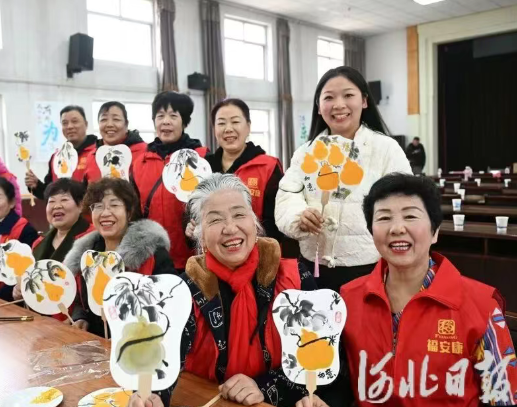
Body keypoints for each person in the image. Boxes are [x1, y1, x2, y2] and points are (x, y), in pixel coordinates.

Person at [133, 174, 350, 407]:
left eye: (239, 215)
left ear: (254, 223)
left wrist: (264, 387)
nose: (230, 228)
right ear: (200, 235)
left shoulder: (295, 278)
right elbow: (163, 358)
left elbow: (325, 364)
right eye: (215, 220)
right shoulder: (185, 290)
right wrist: (151, 395)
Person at [340, 173, 517, 406]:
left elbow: (503, 398)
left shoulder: (482, 306)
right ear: (371, 232)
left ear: (435, 232)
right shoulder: (347, 299)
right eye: (384, 218)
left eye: (410, 216)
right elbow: (339, 386)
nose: (397, 228)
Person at [275, 67, 412, 293]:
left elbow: (405, 201)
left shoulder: (386, 149)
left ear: (364, 101)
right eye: (329, 97)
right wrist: (299, 216)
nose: (339, 105)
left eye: (348, 95)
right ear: (318, 106)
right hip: (312, 266)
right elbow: (288, 194)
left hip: (368, 266)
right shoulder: (306, 152)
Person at [63, 177, 175, 337]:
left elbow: (170, 304)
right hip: (95, 342)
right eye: (98, 206)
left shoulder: (153, 254)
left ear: (129, 212)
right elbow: (80, 301)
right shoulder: (87, 254)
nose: (105, 213)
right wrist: (80, 316)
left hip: (138, 343)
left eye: (114, 205)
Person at [132, 91, 208, 271]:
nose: (166, 121)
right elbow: (134, 212)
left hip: (194, 259)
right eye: (160, 116)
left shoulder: (202, 158)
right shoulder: (139, 163)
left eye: (173, 116)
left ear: (184, 122)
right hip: (152, 259)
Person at [12, 178, 95, 322]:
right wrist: (20, 290)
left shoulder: (92, 239)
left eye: (64, 200)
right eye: (51, 201)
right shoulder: (38, 243)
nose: (57, 206)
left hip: (74, 323)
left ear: (81, 205)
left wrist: (80, 317)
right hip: (40, 321)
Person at [206, 98, 283, 241]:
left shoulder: (268, 166)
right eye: (221, 123)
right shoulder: (204, 167)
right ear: (214, 129)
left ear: (248, 127)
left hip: (257, 249)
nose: (228, 129)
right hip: (213, 250)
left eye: (235, 122)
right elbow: (193, 213)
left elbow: (276, 221)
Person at [25, 105, 98, 199]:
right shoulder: (56, 157)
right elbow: (50, 194)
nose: (70, 126)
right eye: (65, 123)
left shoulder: (99, 152)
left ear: (86, 124)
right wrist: (37, 185)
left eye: (74, 121)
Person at [83, 102, 147, 185]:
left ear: (126, 124)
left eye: (116, 119)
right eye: (104, 120)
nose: (109, 124)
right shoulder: (92, 156)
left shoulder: (144, 152)